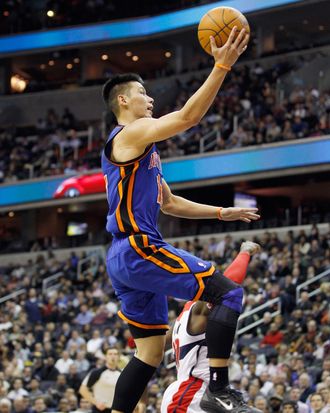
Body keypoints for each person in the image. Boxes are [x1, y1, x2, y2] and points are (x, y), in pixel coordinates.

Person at [101, 26, 258, 413]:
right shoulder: (130, 133)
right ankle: (218, 389)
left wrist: (222, 212)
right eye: (142, 92)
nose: (150, 98)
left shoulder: (142, 150)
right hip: (139, 247)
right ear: (123, 100)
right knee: (229, 294)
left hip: (122, 256)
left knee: (149, 352)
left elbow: (169, 203)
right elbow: (188, 117)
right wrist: (221, 66)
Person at [161, 241, 260, 413]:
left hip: (201, 392)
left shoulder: (180, 318)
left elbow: (157, 345)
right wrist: (245, 252)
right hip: (192, 394)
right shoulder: (199, 309)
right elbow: (229, 286)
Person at [79, 347, 121, 413]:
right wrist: (96, 402)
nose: (113, 356)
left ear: (118, 357)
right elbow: (82, 390)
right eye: (110, 354)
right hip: (99, 410)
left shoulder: (122, 374)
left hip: (116, 410)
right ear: (105, 357)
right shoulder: (97, 372)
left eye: (115, 354)